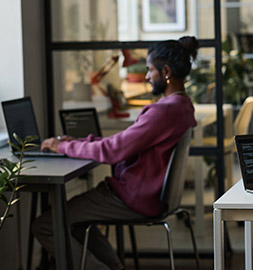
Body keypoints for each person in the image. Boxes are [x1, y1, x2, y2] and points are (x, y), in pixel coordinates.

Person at [32, 36, 199, 270]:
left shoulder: (163, 112)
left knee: (46, 224)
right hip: (148, 196)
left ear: (166, 71)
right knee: (75, 223)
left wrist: (61, 146)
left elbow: (112, 151)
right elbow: (120, 143)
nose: (148, 76)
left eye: (151, 70)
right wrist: (78, 142)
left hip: (133, 197)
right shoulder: (183, 106)